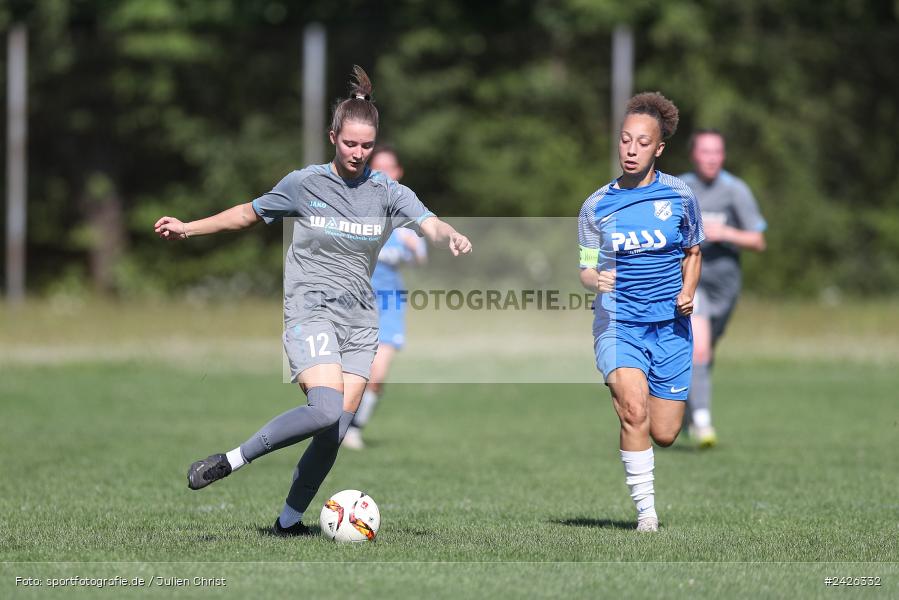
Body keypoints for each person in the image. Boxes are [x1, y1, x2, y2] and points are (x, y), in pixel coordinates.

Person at [153, 66, 472, 536]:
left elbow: (428, 221)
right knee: (325, 408)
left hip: (361, 322)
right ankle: (231, 460)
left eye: (366, 146)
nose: (358, 154)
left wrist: (450, 234)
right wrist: (188, 227)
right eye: (350, 144)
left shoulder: (387, 191)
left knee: (335, 431)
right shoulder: (305, 184)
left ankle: (287, 523)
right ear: (332, 137)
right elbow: (248, 213)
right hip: (310, 309)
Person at [577, 92, 704, 532]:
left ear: (659, 148)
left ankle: (656, 439)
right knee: (633, 410)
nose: (631, 150)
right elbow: (585, 267)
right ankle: (646, 514)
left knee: (664, 432)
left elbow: (693, 251)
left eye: (642, 143)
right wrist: (595, 279)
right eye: (625, 140)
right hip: (619, 324)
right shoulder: (595, 207)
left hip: (670, 328)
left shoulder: (680, 197)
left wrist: (689, 289)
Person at [679, 130, 767, 448]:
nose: (712, 157)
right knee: (698, 348)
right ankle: (703, 422)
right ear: (693, 155)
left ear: (724, 156)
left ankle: (691, 411)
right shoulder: (679, 188)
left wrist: (726, 232)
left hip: (725, 286)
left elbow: (758, 240)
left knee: (705, 352)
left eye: (717, 151)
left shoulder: (735, 190)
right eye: (705, 151)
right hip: (692, 280)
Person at [343, 146, 427, 450]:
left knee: (377, 374)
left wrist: (414, 246)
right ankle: (335, 426)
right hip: (352, 301)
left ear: (398, 173)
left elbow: (420, 258)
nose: (383, 173)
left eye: (389, 168)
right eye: (377, 168)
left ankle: (353, 430)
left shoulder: (406, 214)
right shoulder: (357, 207)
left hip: (390, 303)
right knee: (349, 374)